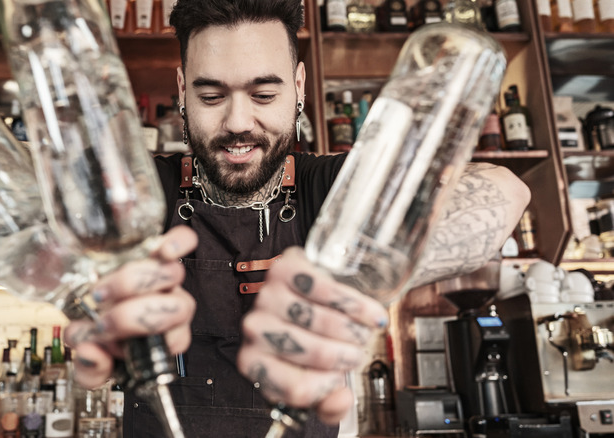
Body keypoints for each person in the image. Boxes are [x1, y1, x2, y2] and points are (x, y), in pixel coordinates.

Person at [64, 0, 531, 436]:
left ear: (300, 87)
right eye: (212, 96)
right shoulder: (140, 193)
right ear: (183, 90)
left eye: (264, 94)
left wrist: (356, 277)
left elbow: (505, 191)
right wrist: (84, 290)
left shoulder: (332, 191)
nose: (238, 122)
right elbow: (22, 194)